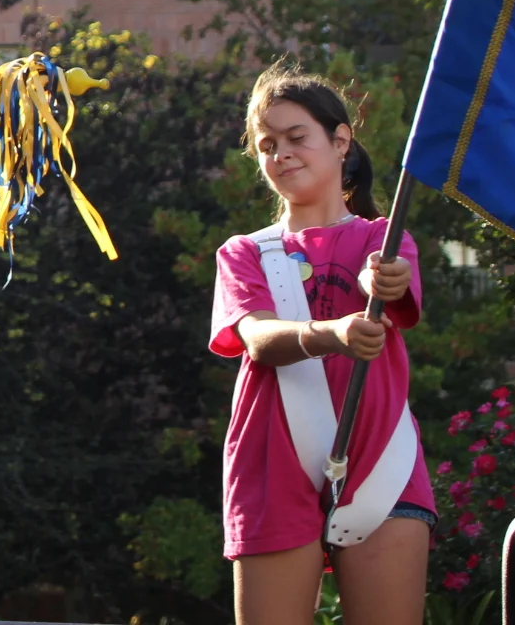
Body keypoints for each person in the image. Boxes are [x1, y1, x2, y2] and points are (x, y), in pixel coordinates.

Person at [210, 62, 435, 625]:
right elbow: (257, 338)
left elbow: (391, 285)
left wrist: (384, 280)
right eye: (267, 146)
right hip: (272, 461)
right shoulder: (243, 252)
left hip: (379, 456)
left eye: (296, 137)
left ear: (340, 142)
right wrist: (333, 333)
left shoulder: (384, 239)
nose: (281, 154)